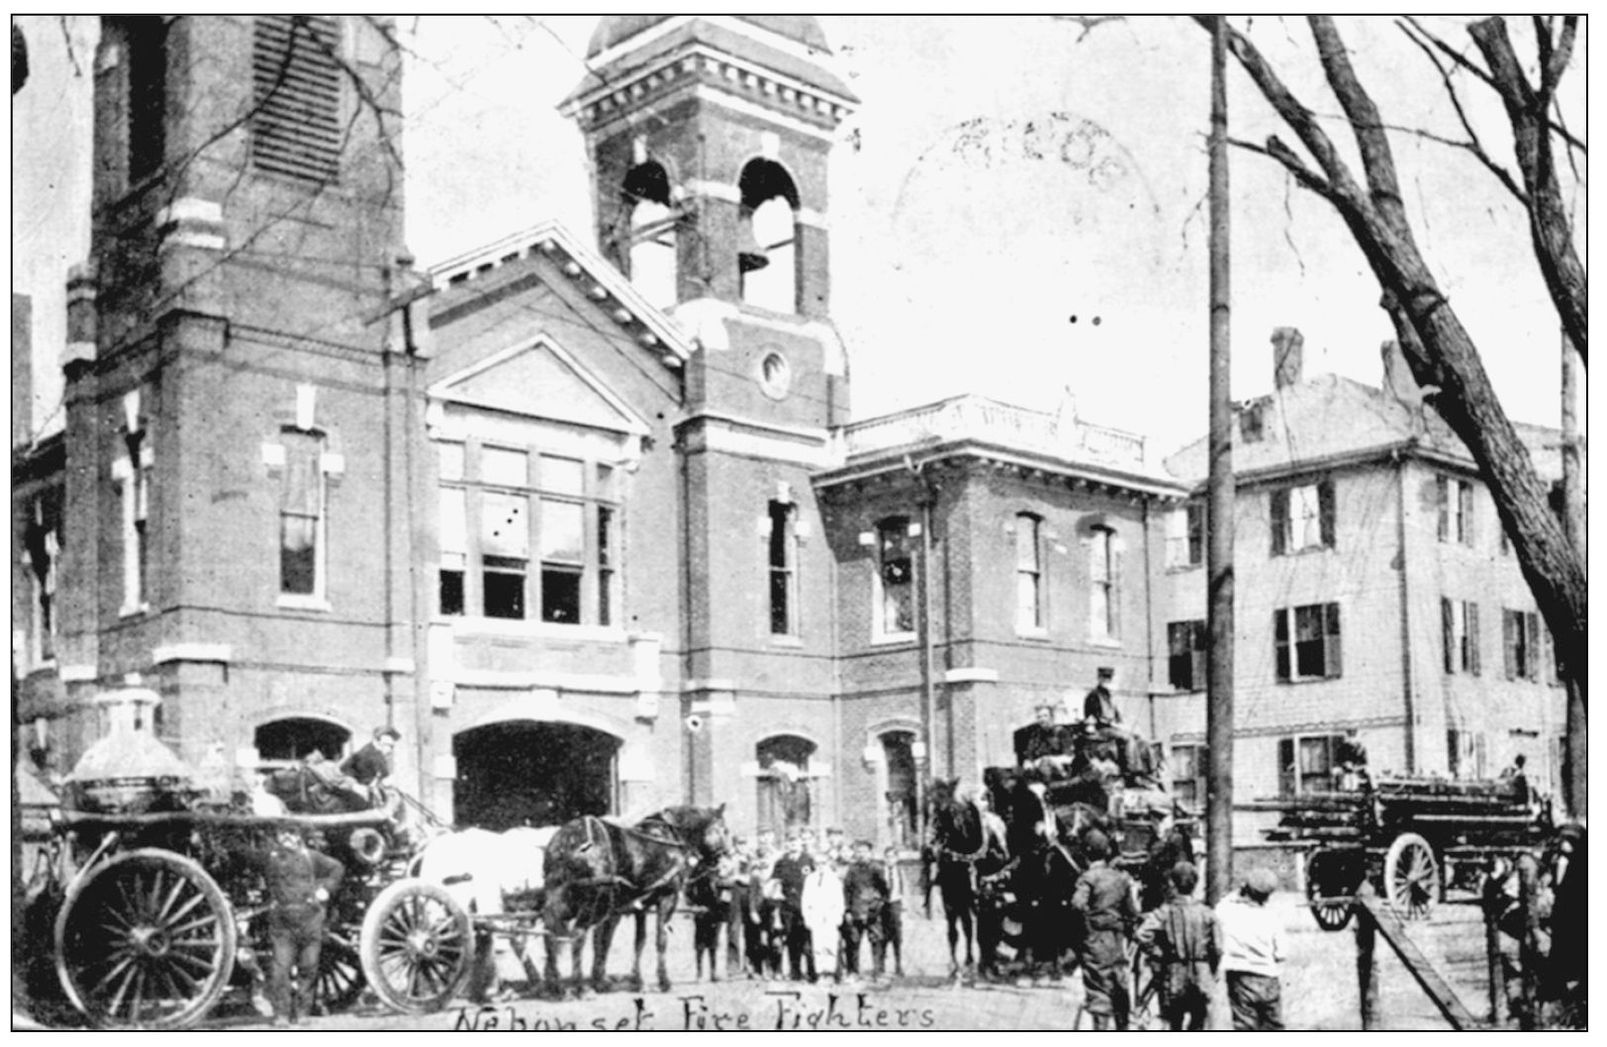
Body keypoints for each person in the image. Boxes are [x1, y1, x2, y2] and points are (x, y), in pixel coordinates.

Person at [250, 827, 344, 1025]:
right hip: (282, 922)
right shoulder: (271, 858)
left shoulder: (312, 857)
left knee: (308, 968)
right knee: (280, 970)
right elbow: (245, 855)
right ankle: (282, 1014)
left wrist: (325, 889)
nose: (288, 838)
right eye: (283, 834)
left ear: (299, 837)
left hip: (310, 919)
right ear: (277, 837)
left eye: (292, 834)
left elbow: (337, 868)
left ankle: (303, 1013)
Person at [1136, 862, 1222, 1031]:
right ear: (1195, 885)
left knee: (1173, 1023)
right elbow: (1218, 948)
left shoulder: (1164, 911)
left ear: (1172, 884)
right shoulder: (1207, 913)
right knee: (1199, 1020)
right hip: (1201, 972)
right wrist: (1212, 970)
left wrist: (1157, 953)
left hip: (1174, 971)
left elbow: (1141, 935)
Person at [1070, 828, 1140, 1030]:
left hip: (1095, 940)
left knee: (1098, 986)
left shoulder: (1088, 878)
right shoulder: (1121, 879)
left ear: (1085, 853)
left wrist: (1088, 924)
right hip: (1117, 940)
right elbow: (1132, 913)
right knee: (1119, 982)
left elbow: (1077, 904)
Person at [1216, 867, 1285, 1031]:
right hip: (1268, 977)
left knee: (1245, 1027)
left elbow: (1221, 907)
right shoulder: (1272, 916)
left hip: (1240, 977)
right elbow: (1281, 953)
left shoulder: (1228, 910)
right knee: (1273, 1027)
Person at [841, 840, 892, 980]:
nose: (861, 854)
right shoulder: (852, 870)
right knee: (853, 942)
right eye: (858, 852)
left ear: (870, 852)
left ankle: (878, 971)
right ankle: (853, 972)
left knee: (876, 941)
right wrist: (847, 910)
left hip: (872, 911)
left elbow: (884, 890)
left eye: (864, 851)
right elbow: (847, 890)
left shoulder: (876, 868)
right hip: (856, 910)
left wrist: (878, 905)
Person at [770, 833, 816, 982]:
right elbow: (774, 882)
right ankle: (795, 972)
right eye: (790, 842)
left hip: (807, 905)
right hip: (788, 906)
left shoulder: (808, 860)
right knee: (791, 939)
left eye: (795, 841)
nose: (792, 845)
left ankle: (811, 972)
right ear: (786, 845)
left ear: (801, 843)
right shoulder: (781, 862)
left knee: (808, 940)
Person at [801, 856, 847, 984]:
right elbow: (805, 900)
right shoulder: (810, 879)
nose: (820, 866)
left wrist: (838, 915)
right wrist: (807, 916)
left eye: (823, 863)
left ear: (828, 863)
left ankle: (830, 972)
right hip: (816, 915)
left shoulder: (834, 879)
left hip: (830, 916)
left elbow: (839, 900)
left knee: (830, 944)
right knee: (818, 945)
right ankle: (820, 972)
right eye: (817, 863)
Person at [341, 725, 400, 804]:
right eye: (388, 745)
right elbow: (365, 782)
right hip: (350, 795)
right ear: (376, 741)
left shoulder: (378, 754)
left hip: (365, 793)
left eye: (392, 746)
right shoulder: (365, 754)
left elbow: (384, 775)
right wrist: (383, 783)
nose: (390, 750)